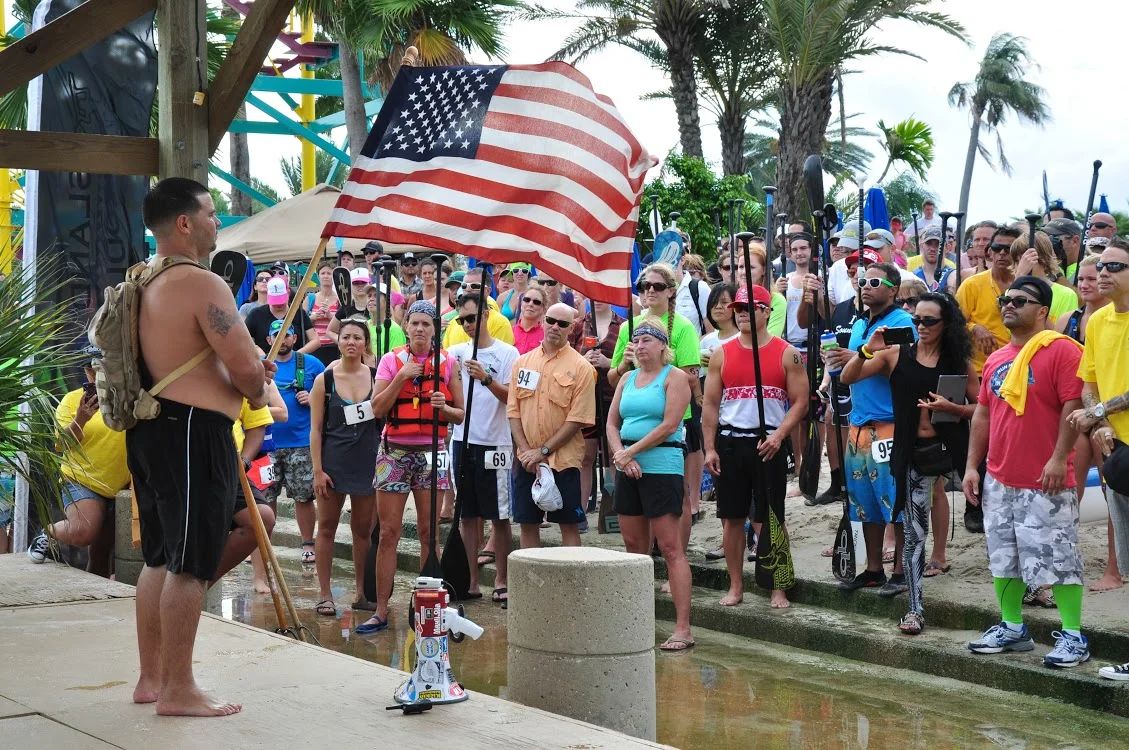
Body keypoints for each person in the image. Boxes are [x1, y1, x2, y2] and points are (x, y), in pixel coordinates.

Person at [127, 177, 271, 716]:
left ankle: (152, 678)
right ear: (185, 223)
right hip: (191, 431)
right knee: (188, 563)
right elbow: (247, 371)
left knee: (159, 557)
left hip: (149, 428)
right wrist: (256, 382)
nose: (217, 222)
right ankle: (179, 689)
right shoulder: (202, 282)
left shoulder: (142, 278)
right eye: (211, 213)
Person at [962, 275, 1089, 668]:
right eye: (1005, 299)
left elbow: (1073, 407)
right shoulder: (997, 358)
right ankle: (1012, 627)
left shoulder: (1062, 350)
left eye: (1020, 300)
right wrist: (972, 466)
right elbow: (983, 414)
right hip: (1000, 478)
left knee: (1059, 558)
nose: (1009, 305)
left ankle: (1073, 636)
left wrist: (1059, 457)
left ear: (1042, 311)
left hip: (1046, 477)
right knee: (1004, 557)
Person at [842, 294, 977, 634]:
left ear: (947, 324)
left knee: (988, 517)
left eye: (929, 321)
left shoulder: (958, 361)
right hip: (912, 451)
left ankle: (1028, 589)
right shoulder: (895, 354)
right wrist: (866, 350)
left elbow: (985, 408)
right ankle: (915, 610)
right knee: (915, 533)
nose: (921, 326)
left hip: (953, 449)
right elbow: (847, 377)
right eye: (917, 319)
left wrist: (954, 408)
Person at [703, 284, 808, 609]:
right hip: (731, 443)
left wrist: (779, 436)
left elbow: (800, 401)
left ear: (766, 311)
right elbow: (710, 404)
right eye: (738, 308)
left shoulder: (787, 353)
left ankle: (778, 586)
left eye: (750, 308)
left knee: (771, 518)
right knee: (731, 519)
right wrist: (710, 448)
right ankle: (736, 586)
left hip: (769, 444)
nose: (742, 314)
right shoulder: (721, 353)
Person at [362, 301, 465, 632]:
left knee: (428, 532)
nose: (420, 329)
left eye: (426, 324)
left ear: (435, 329)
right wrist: (402, 377)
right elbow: (377, 408)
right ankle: (380, 609)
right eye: (414, 323)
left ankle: (429, 609)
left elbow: (460, 414)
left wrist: (444, 407)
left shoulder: (449, 363)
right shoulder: (390, 361)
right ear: (405, 326)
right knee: (388, 532)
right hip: (393, 451)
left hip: (432, 452)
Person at [606, 318, 694, 649]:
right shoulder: (626, 378)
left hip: (661, 466)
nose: (639, 346)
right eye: (636, 340)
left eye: (647, 340)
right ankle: (637, 621)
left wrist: (630, 453)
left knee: (670, 548)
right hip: (627, 466)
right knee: (633, 548)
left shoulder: (675, 377)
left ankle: (683, 628)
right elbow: (612, 423)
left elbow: (671, 424)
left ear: (662, 345)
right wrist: (621, 456)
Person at [828, 263, 915, 596]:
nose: (865, 285)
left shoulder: (902, 322)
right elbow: (854, 367)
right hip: (859, 423)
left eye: (874, 281)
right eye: (862, 281)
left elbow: (896, 366)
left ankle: (901, 571)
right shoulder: (860, 322)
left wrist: (855, 356)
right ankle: (874, 569)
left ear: (893, 290)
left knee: (896, 502)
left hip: (889, 423)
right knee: (864, 503)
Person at [609, 263, 703, 549]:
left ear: (671, 291)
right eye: (644, 286)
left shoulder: (683, 326)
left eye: (657, 286)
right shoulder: (628, 326)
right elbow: (614, 378)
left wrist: (656, 368)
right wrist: (627, 364)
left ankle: (676, 549)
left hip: (675, 418)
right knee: (638, 501)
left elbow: (691, 375)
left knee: (679, 493)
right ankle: (647, 553)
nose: (650, 290)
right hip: (635, 418)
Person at [1069, 241, 1129, 679]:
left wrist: (1097, 413)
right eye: (1100, 265)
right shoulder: (1098, 321)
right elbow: (1088, 384)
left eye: (1115, 266)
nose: (1103, 272)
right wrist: (1101, 423)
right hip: (1118, 452)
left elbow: (1096, 401)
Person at [27, 349, 129, 577]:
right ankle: (49, 532)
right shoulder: (71, 400)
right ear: (87, 372)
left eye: (103, 367)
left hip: (122, 484)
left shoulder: (127, 397)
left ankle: (98, 596)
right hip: (83, 480)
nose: (97, 373)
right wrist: (81, 418)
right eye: (92, 368)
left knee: (102, 551)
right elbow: (62, 445)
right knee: (84, 532)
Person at [448, 293, 519, 604]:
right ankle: (470, 581)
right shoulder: (455, 353)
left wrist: (486, 378)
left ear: (486, 315)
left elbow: (513, 398)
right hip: (462, 441)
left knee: (499, 516)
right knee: (466, 515)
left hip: (496, 441)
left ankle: (501, 579)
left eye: (471, 318)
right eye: (461, 319)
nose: (466, 324)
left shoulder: (508, 353)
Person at [507, 302, 596, 549]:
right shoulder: (522, 363)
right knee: (527, 523)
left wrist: (543, 451)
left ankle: (571, 575)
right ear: (543, 321)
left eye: (563, 323)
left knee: (569, 523)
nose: (555, 327)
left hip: (563, 460)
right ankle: (530, 575)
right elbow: (513, 412)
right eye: (551, 320)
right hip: (527, 460)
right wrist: (527, 452)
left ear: (571, 328)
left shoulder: (582, 368)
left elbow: (577, 419)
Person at [1055, 255, 1120, 592]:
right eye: (1081, 278)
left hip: (1104, 416)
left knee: (1114, 493)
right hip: (1077, 413)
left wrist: (1098, 416)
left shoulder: (1112, 318)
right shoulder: (1070, 319)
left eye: (1092, 278)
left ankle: (1115, 568)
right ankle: (1064, 561)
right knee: (1068, 488)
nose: (1085, 284)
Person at [309, 319, 381, 619]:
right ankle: (325, 594)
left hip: (367, 462)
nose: (351, 342)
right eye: (346, 337)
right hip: (333, 463)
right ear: (338, 342)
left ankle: (362, 592)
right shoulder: (324, 380)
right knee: (326, 527)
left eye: (357, 338)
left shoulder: (377, 376)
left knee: (363, 531)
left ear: (365, 343)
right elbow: (315, 429)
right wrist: (318, 470)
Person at [263, 320, 325, 564]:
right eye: (276, 335)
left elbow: (330, 394)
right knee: (266, 497)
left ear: (295, 338)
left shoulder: (311, 364)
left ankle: (308, 544)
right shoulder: (261, 366)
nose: (282, 339)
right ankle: (263, 546)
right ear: (269, 340)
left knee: (303, 496)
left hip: (301, 442)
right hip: (267, 443)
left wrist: (313, 398)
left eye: (286, 335)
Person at [569, 299, 625, 525]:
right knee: (585, 456)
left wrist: (608, 362)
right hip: (585, 400)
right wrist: (583, 361)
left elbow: (629, 363)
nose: (598, 301)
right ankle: (579, 511)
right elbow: (565, 359)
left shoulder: (622, 326)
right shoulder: (578, 325)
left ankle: (618, 510)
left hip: (614, 398)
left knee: (614, 455)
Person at [1009, 231, 1078, 323]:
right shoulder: (1010, 293)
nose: (1022, 267)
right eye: (1018, 262)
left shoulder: (1066, 295)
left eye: (1028, 261)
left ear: (1044, 260)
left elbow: (1061, 331)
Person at [244, 277, 319, 356]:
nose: (278, 305)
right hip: (266, 360)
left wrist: (296, 355)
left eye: (281, 301)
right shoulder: (256, 314)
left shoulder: (298, 312)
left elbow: (315, 340)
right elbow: (242, 338)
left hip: (294, 360)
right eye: (275, 302)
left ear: (288, 293)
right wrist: (258, 351)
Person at [442, 268, 511, 348]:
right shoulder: (454, 322)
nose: (468, 290)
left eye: (474, 286)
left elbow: (500, 354)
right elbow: (447, 354)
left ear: (487, 291)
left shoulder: (500, 323)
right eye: (464, 286)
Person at [326, 267, 373, 344]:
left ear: (369, 284)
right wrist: (344, 342)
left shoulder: (375, 305)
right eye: (356, 283)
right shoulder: (346, 306)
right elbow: (330, 331)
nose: (360, 285)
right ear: (350, 285)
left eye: (363, 282)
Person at [308, 260, 340, 365]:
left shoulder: (339, 300)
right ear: (318, 277)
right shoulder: (310, 298)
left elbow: (344, 325)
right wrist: (312, 317)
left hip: (334, 347)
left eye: (329, 273)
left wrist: (330, 316)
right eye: (323, 273)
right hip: (314, 347)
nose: (326, 276)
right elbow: (302, 323)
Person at [675, 252, 712, 336]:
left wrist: (691, 342)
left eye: (692, 272)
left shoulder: (700, 288)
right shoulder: (656, 287)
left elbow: (711, 332)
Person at [913, 226, 957, 293]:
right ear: (921, 246)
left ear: (948, 248)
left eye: (938, 244)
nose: (932, 248)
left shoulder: (952, 275)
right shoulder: (914, 276)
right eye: (928, 243)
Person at [511, 285, 547, 354]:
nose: (530, 304)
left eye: (536, 302)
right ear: (521, 303)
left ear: (543, 309)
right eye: (527, 300)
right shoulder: (509, 331)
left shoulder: (546, 337)